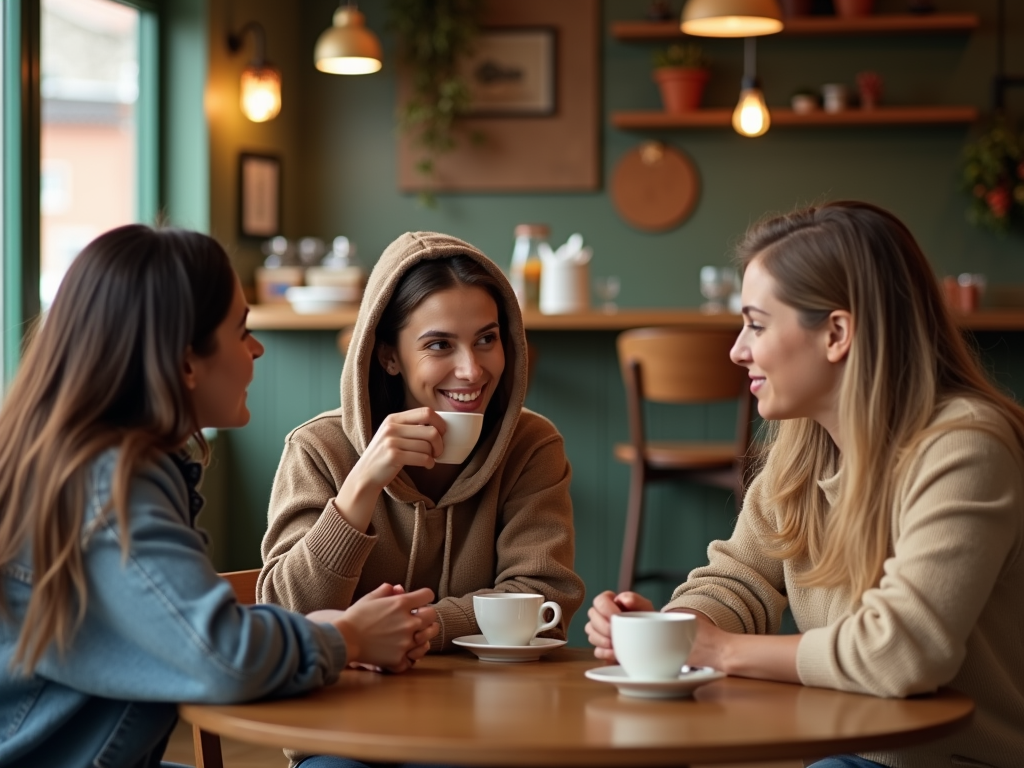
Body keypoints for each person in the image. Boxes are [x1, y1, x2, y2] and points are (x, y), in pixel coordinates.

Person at [586, 201, 1024, 768]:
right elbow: (739, 579)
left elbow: (902, 653)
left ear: (837, 332)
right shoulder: (802, 451)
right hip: (837, 748)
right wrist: (674, 628)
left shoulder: (965, 447)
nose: (736, 350)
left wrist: (719, 650)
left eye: (757, 324)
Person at [0, 225, 438, 768]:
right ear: (186, 363)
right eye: (241, 330)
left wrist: (324, 630)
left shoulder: (90, 462)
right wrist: (347, 637)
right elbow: (219, 655)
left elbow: (176, 631)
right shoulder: (109, 486)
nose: (256, 349)